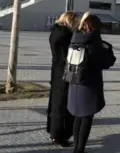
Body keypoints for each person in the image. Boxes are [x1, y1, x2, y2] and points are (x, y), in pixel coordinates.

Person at [67, 11, 115, 153]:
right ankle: (79, 149)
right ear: (95, 26)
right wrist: (109, 53)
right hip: (88, 84)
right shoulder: (93, 40)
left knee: (77, 116)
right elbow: (104, 62)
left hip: (75, 82)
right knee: (87, 117)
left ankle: (77, 147)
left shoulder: (75, 38)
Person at [47, 11, 77, 147]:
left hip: (56, 70)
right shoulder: (66, 34)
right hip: (64, 71)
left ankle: (54, 133)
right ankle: (60, 135)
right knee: (63, 104)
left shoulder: (55, 32)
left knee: (55, 103)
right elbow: (68, 56)